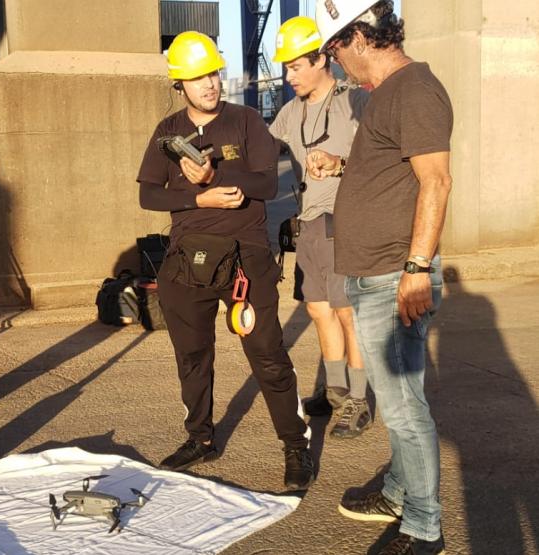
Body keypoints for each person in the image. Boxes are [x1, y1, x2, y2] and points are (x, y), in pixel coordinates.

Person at [137, 31, 314, 490]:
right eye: (198, 78)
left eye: (213, 73)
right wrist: (200, 197)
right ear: (181, 84)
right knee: (192, 357)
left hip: (246, 258)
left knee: (267, 355)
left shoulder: (247, 121)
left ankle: (295, 445)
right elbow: (148, 194)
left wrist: (217, 175)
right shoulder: (167, 131)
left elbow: (267, 185)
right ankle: (200, 438)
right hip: (187, 260)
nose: (210, 84)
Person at [306, 2, 453, 553]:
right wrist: (340, 166)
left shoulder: (414, 90)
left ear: (360, 35)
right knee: (396, 403)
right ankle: (398, 491)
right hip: (376, 272)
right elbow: (396, 170)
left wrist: (416, 270)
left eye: (335, 50)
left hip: (396, 275)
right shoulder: (386, 97)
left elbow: (436, 182)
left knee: (404, 408)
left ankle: (422, 525)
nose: (336, 63)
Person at [268, 16, 372, 439]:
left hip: (346, 220)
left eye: (295, 67)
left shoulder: (356, 102)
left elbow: (384, 158)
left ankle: (359, 400)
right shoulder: (291, 111)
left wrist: (340, 163)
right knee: (317, 308)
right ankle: (334, 391)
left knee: (347, 312)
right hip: (309, 221)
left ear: (322, 58)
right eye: (286, 68)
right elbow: (260, 150)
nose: (289, 76)